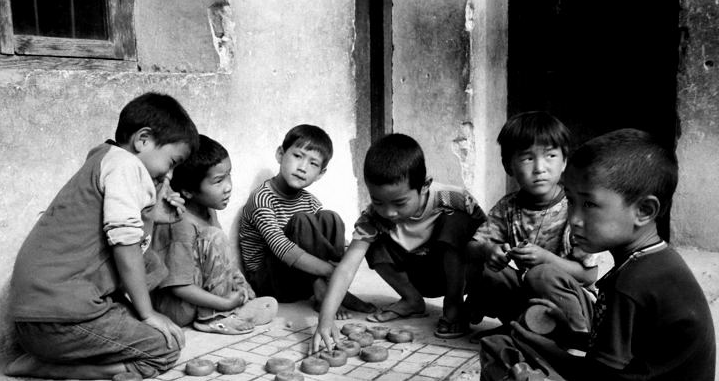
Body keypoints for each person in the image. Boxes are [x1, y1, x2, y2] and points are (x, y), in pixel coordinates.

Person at [427, 129, 715, 381]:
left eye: (589, 204)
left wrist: (544, 353)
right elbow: (609, 359)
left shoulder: (638, 281)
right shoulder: (638, 264)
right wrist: (549, 341)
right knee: (498, 347)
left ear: (644, 210)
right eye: (573, 202)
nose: (575, 218)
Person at [5, 92, 199, 379]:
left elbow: (131, 244)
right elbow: (125, 245)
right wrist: (147, 314)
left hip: (37, 320)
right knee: (163, 349)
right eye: (171, 162)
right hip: (57, 323)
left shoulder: (104, 158)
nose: (168, 175)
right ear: (143, 139)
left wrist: (151, 214)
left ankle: (54, 353)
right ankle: (49, 367)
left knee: (153, 265)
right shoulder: (126, 166)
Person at [312, 133, 486, 351]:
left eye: (400, 203)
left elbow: (488, 243)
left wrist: (480, 295)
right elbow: (346, 268)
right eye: (378, 201)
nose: (389, 212)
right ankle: (412, 300)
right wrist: (325, 320)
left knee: (458, 222)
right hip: (416, 276)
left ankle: (453, 306)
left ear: (424, 185)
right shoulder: (373, 218)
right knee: (369, 241)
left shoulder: (455, 199)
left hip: (457, 275)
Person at [466, 111, 602, 347]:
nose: (540, 168)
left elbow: (589, 275)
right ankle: (519, 326)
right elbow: (472, 247)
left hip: (573, 303)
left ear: (564, 161)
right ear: (508, 165)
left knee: (542, 273)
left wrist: (545, 258)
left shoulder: (575, 209)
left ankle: (577, 339)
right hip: (529, 295)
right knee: (489, 271)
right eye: (527, 158)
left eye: (550, 155)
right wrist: (490, 251)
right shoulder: (508, 207)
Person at [238, 124, 374, 318]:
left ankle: (333, 290)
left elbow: (326, 240)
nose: (302, 168)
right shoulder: (262, 197)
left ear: (320, 174)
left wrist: (346, 261)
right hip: (270, 283)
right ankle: (324, 289)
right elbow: (280, 247)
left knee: (330, 218)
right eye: (298, 156)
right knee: (302, 221)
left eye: (313, 163)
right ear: (280, 154)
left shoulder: (310, 201)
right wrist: (331, 270)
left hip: (299, 280)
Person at [151, 135, 278, 335]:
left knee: (269, 305)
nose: (228, 186)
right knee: (214, 236)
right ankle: (215, 317)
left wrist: (240, 283)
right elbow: (178, 286)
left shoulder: (208, 210)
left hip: (199, 299)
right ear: (188, 191)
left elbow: (222, 260)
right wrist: (223, 303)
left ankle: (227, 310)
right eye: (218, 181)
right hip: (175, 306)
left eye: (229, 175)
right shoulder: (178, 222)